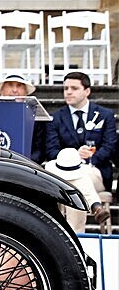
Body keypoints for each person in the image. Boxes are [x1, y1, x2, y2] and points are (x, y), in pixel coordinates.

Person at [44, 71, 116, 199]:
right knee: (72, 181)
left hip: (96, 171)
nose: (68, 92)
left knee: (78, 179)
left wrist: (87, 160)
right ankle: (95, 205)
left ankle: (80, 214)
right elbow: (51, 150)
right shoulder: (56, 118)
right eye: (66, 88)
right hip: (64, 172)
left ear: (87, 91)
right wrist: (74, 156)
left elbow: (109, 147)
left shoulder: (105, 115)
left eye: (74, 88)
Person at [44, 148, 110, 234]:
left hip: (93, 177)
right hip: (61, 190)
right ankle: (96, 207)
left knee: (79, 188)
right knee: (77, 190)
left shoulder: (85, 174)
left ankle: (77, 232)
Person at [0, 72, 44, 161]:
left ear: (26, 92)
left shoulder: (35, 117)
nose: (15, 90)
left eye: (19, 86)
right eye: (10, 85)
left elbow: (39, 151)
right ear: (2, 91)